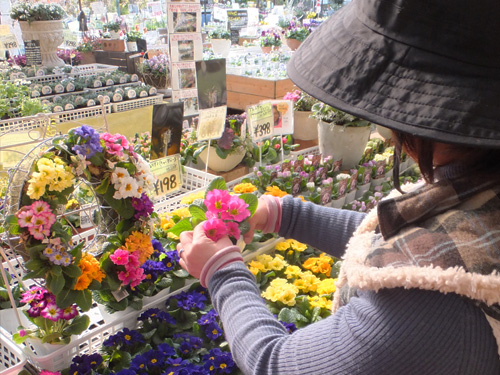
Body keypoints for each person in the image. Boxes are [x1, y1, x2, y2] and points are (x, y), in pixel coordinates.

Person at [178, 1, 500, 374]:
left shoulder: (429, 305)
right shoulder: (482, 184)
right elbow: (419, 243)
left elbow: (274, 363)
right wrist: (281, 213)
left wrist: (222, 270)